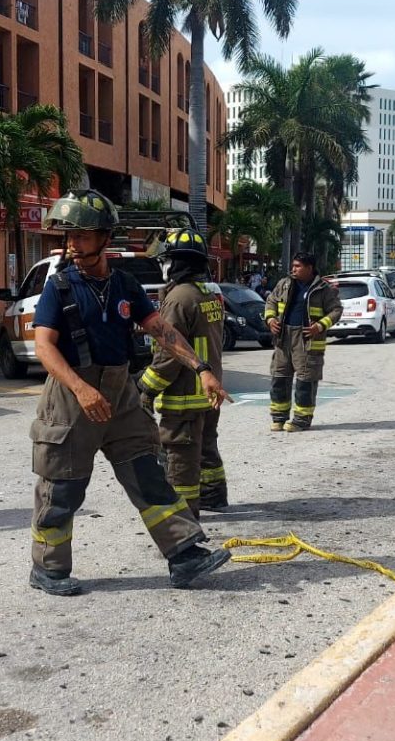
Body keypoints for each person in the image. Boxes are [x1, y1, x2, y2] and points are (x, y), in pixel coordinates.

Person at [27, 190, 232, 596]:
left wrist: (202, 369)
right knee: (62, 486)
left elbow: (162, 330)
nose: (73, 243)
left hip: (121, 394)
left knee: (148, 473)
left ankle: (184, 554)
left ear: (105, 237)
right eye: (70, 236)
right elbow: (44, 347)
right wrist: (82, 389)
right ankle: (48, 569)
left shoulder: (123, 284)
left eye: (82, 235)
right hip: (71, 397)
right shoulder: (60, 287)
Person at [139, 229, 229, 516]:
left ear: (177, 263)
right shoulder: (208, 293)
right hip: (209, 390)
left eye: (165, 261)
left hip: (185, 397)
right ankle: (214, 494)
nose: (162, 266)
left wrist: (146, 386)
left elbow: (169, 354)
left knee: (180, 458)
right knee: (206, 447)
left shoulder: (179, 298)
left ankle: (184, 514)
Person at [263, 252, 343, 432]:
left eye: (298, 266)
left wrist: (320, 326)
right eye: (293, 266)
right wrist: (270, 320)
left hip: (307, 340)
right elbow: (271, 302)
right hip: (283, 338)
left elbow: (336, 310)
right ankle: (279, 418)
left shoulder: (323, 288)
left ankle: (301, 420)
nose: (293, 269)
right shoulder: (284, 284)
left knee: (305, 381)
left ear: (309, 268)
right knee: (279, 378)